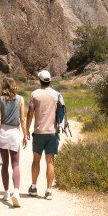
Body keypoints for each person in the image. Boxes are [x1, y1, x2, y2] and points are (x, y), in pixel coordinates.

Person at [0, 77, 27, 207]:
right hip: (14, 133)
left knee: (4, 165)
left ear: (3, 86)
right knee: (15, 165)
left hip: (3, 133)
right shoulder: (20, 99)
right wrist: (25, 135)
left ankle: (6, 192)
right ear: (14, 86)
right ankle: (16, 192)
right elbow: (22, 119)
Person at [26, 69, 60, 200]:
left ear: (39, 80)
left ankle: (34, 187)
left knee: (36, 160)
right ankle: (49, 190)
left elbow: (30, 113)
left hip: (39, 132)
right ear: (49, 80)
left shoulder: (35, 94)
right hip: (52, 133)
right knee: (50, 161)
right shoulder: (56, 94)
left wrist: (26, 129)